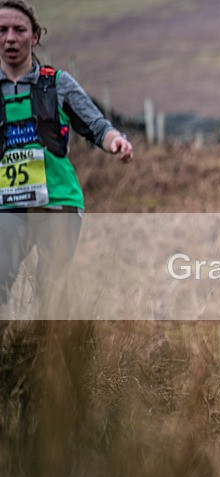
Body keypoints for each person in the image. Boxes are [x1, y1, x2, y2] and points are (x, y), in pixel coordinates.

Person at [0, 0, 133, 321]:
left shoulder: (57, 82)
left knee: (50, 292)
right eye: (2, 31)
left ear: (35, 37)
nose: (10, 38)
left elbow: (97, 126)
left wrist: (116, 142)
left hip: (59, 200)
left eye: (19, 30)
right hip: (7, 205)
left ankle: (49, 365)